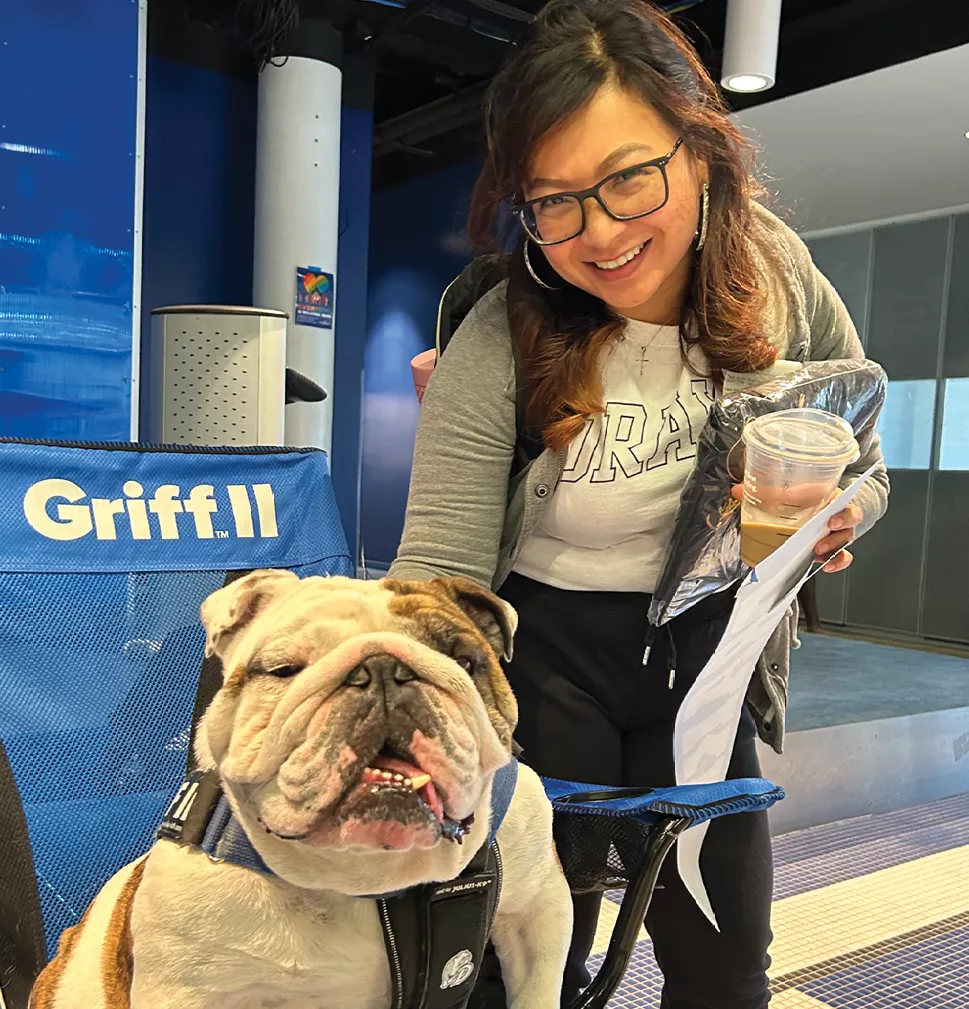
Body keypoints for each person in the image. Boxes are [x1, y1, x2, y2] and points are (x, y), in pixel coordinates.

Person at [389, 2, 890, 1007]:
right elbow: (434, 575)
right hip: (545, 653)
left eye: (629, 178)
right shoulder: (503, 326)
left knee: (723, 963)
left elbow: (865, 462)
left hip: (710, 661)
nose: (601, 231)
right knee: (526, 959)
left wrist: (843, 519)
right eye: (556, 201)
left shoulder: (779, 276)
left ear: (699, 149)